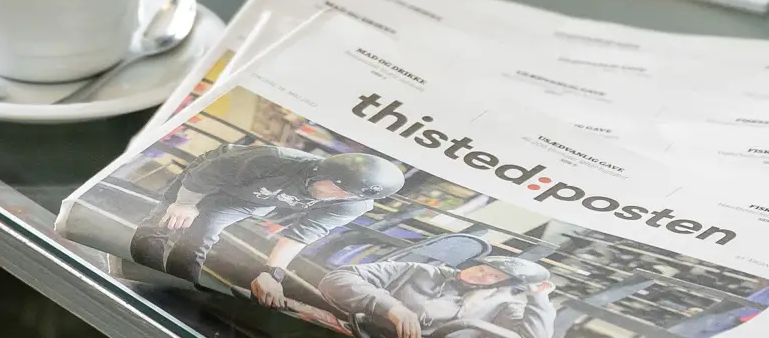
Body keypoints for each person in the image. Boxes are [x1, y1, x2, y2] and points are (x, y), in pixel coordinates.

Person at [129, 143, 406, 288]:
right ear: (322, 173)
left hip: (254, 199)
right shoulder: (277, 159)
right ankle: (143, 264)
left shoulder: (353, 203)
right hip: (214, 176)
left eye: (346, 196)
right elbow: (208, 174)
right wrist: (185, 203)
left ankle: (180, 286)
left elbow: (302, 235)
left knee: (204, 233)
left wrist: (272, 274)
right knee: (167, 220)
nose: (337, 197)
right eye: (336, 189)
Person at [312, 255, 557, 338]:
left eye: (494, 277)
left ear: (502, 284)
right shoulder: (418, 271)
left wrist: (539, 300)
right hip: (365, 330)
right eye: (482, 268)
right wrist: (393, 307)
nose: (481, 275)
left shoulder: (502, 305)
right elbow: (338, 278)